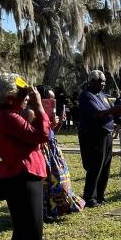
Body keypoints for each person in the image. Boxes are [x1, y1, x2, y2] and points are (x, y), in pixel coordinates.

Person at [0, 73, 50, 240]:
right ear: (9, 96)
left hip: (23, 174)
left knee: (27, 227)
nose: (25, 97)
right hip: (20, 176)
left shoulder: (7, 113)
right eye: (20, 94)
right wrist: (39, 106)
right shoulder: (8, 117)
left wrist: (27, 102)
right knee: (27, 230)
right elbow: (42, 135)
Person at [77, 70, 121, 207]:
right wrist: (117, 107)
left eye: (104, 82)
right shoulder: (86, 96)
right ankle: (90, 197)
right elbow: (98, 113)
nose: (103, 84)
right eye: (101, 82)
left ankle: (100, 195)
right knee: (95, 166)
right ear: (92, 82)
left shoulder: (101, 95)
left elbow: (112, 111)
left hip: (107, 134)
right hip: (94, 135)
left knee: (105, 166)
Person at [40, 88, 85, 221]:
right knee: (49, 182)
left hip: (53, 150)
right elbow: (41, 136)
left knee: (61, 179)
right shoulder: (33, 113)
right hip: (43, 151)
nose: (52, 102)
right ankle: (48, 210)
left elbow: (52, 134)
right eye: (49, 98)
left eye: (53, 99)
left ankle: (62, 206)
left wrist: (58, 123)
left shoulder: (49, 112)